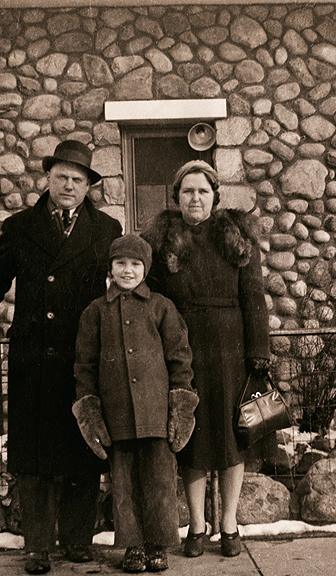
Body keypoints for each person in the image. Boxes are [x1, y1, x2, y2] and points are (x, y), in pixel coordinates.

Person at [0, 140, 123, 575]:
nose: (69, 186)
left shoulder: (108, 229)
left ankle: (77, 540)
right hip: (34, 354)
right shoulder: (20, 226)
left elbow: (127, 285)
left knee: (84, 446)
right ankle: (36, 545)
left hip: (84, 357)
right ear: (48, 179)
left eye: (78, 179)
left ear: (89, 185)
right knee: (34, 457)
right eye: (61, 177)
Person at [142, 160, 270, 558]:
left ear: (215, 196)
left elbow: (254, 298)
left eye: (202, 191)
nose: (194, 198)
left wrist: (258, 352)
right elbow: (151, 301)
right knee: (192, 439)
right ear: (176, 196)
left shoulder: (235, 237)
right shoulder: (162, 242)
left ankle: (228, 524)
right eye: (187, 191)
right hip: (185, 352)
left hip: (231, 351)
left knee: (234, 439)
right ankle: (197, 525)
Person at [72, 234, 198, 573]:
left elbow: (179, 359)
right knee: (124, 483)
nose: (128, 271)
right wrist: (90, 410)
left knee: (159, 481)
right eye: (121, 264)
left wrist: (180, 407)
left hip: (156, 414)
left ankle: (158, 545)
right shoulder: (96, 312)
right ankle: (133, 547)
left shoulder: (161, 307)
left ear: (146, 269)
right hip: (118, 415)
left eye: (135, 264)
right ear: (111, 268)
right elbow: (84, 365)